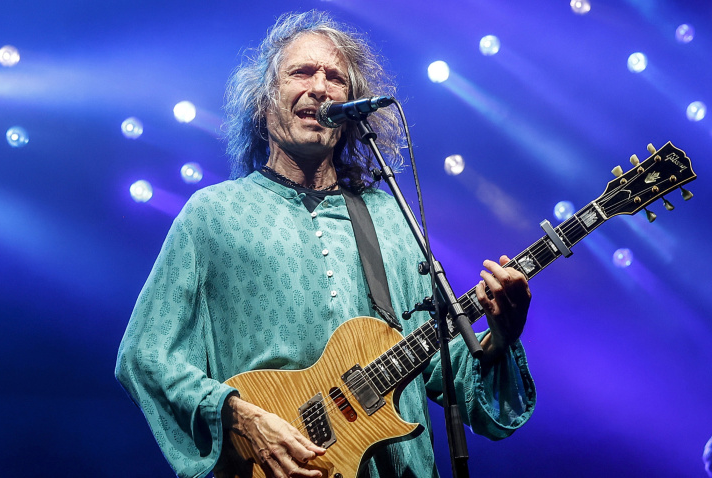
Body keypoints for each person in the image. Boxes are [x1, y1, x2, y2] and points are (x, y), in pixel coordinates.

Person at [116, 10, 536, 478]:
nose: (321, 87)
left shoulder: (389, 217)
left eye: (336, 77)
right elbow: (145, 354)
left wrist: (501, 338)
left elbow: (447, 369)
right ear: (264, 101)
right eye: (301, 72)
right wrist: (236, 415)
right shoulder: (212, 214)